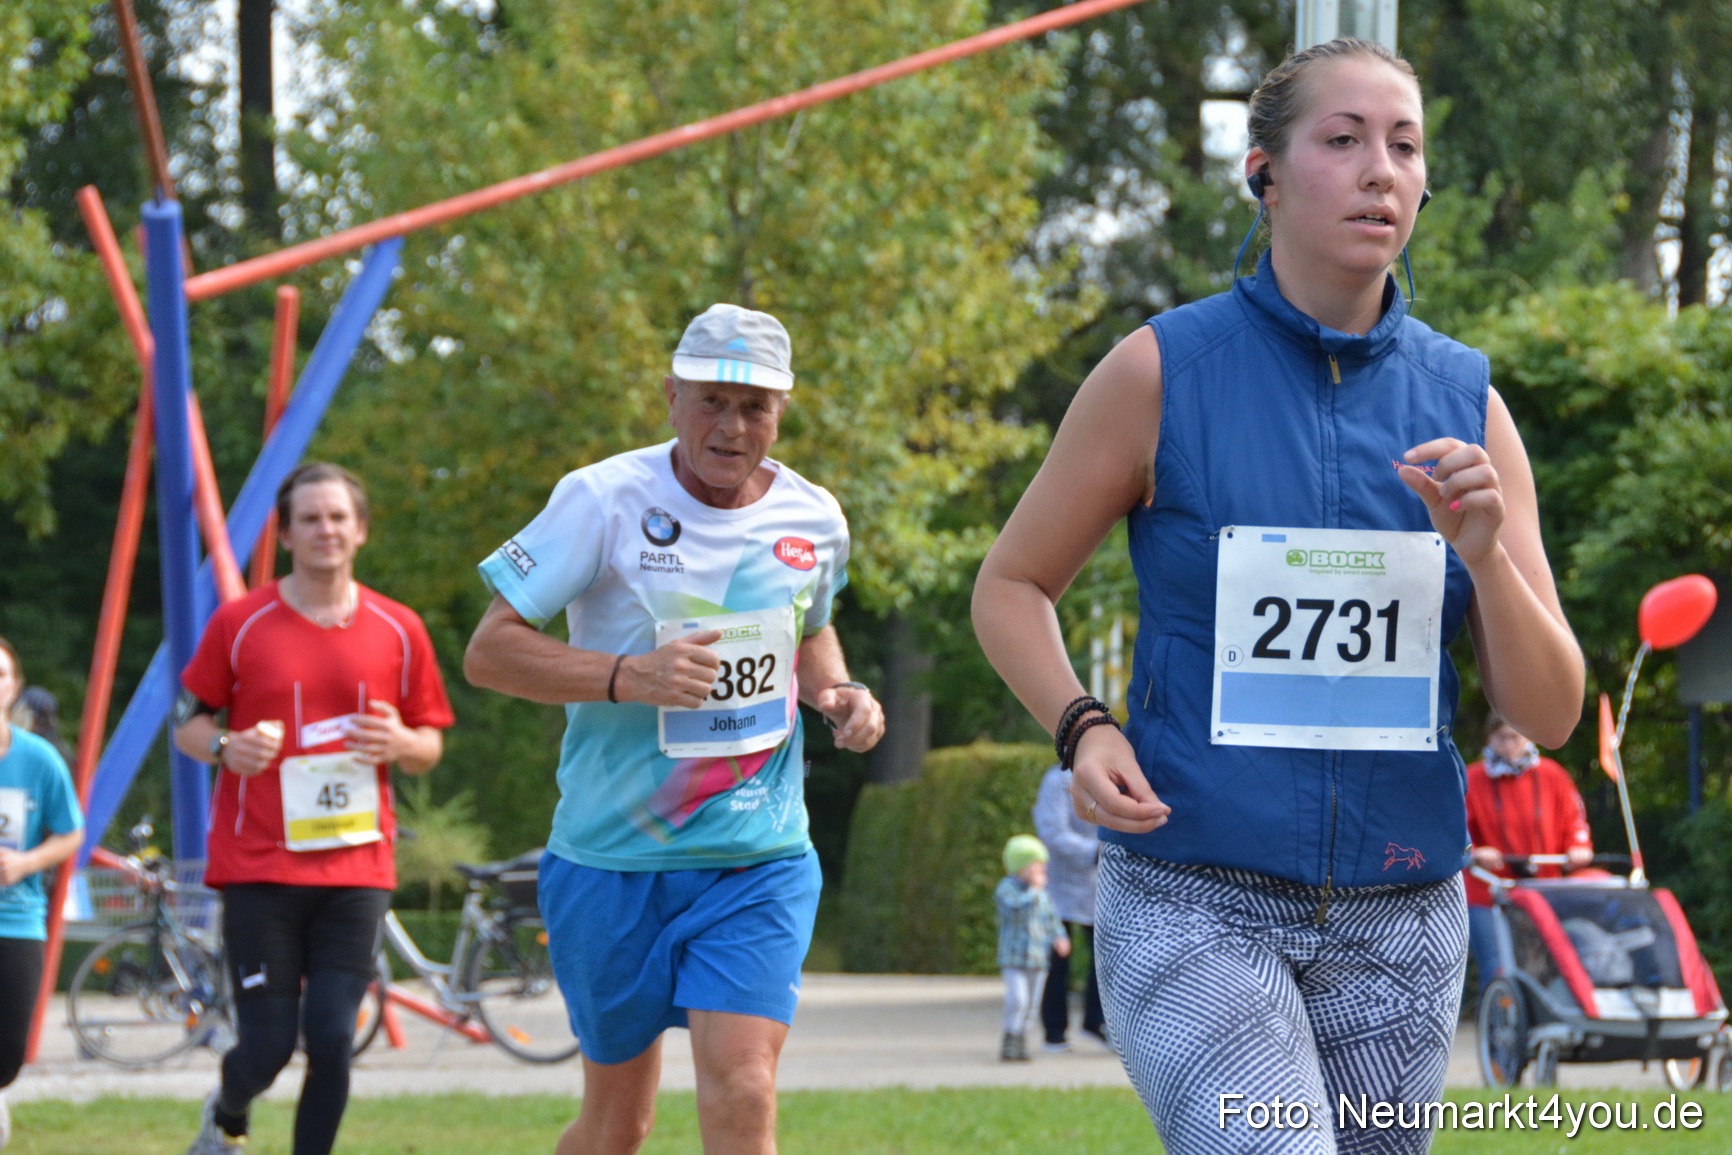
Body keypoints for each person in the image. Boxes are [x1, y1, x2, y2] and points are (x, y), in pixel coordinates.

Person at [972, 38, 1582, 1155]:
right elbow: (1010, 585)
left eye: (1402, 146)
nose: (1378, 171)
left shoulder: (1469, 403)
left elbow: (1546, 715)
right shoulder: (1160, 371)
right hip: (1193, 892)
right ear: (1263, 172)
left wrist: (1487, 556)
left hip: (1401, 917)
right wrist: (1080, 725)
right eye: (1341, 141)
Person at [464, 302, 885, 1155]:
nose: (731, 426)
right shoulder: (602, 500)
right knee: (620, 1123)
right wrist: (626, 677)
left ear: (782, 412)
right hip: (611, 858)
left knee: (744, 1084)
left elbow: (808, 632)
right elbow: (489, 653)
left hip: (755, 854)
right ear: (670, 397)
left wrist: (838, 692)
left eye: (754, 406)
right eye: (710, 401)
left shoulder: (815, 519)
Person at [173, 463, 454, 1155]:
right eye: (310, 518)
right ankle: (228, 1109)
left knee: (331, 1037)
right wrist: (226, 746)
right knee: (266, 1047)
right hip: (259, 865)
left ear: (359, 530)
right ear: (287, 533)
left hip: (356, 866)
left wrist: (401, 741)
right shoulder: (240, 623)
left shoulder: (400, 627)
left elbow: (430, 743)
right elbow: (187, 723)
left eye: (337, 517)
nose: (325, 529)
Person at [0, 638, 84, 1152]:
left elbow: (70, 831)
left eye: (0, 675)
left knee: (9, 1052)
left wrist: (26, 863)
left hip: (17, 918)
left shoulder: (40, 759)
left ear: (14, 687)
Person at [1464, 715, 1593, 994]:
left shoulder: (1552, 775)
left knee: (1543, 965)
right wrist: (1476, 851)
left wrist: (1577, 846)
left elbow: (1574, 820)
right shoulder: (1473, 778)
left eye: (1515, 738)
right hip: (1488, 891)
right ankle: (1499, 1028)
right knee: (1497, 966)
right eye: (1502, 738)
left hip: (1543, 888)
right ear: (1490, 739)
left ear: (1528, 739)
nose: (1509, 745)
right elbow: (1455, 829)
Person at [1031, 762, 1106, 1052]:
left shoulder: (1111, 773)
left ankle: (1096, 1022)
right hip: (1058, 884)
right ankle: (1054, 1031)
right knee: (1056, 961)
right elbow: (1052, 832)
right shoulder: (1057, 781)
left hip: (1097, 884)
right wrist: (1094, 851)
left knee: (1104, 959)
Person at [995, 834, 1069, 1062]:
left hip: (1038, 959)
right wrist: (1035, 891)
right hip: (1014, 958)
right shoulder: (1008, 889)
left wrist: (1060, 937)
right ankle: (1010, 1037)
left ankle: (1022, 1039)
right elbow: (1016, 910)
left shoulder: (1042, 895)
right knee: (1018, 999)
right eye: (1035, 865)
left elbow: (1051, 918)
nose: (1040, 870)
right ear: (1020, 866)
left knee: (1032, 1004)